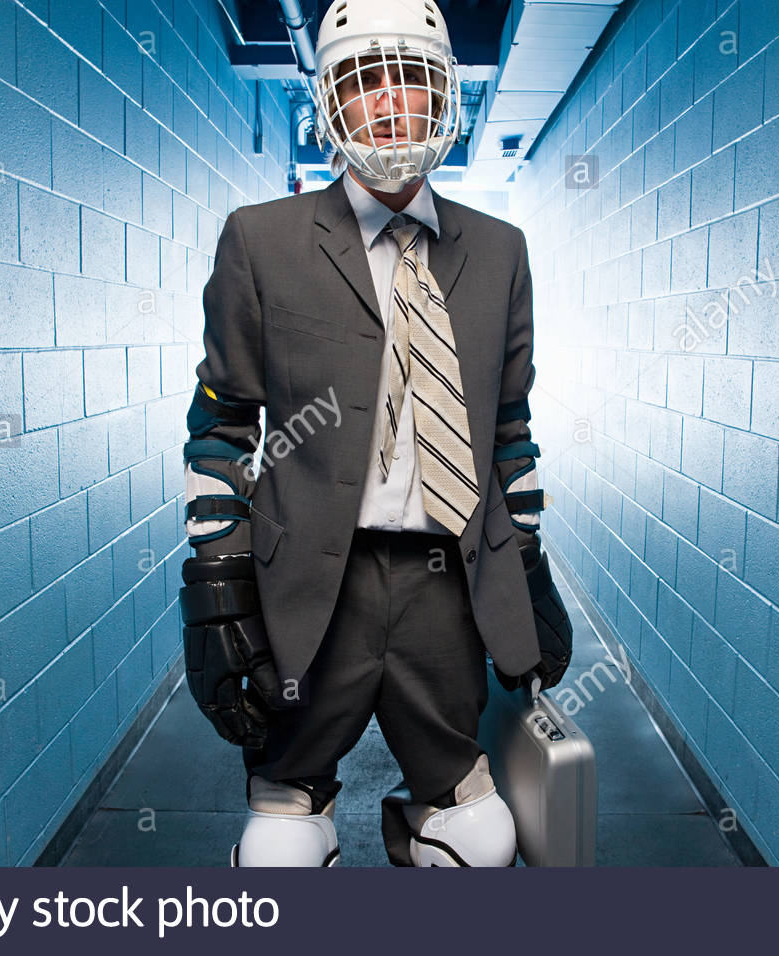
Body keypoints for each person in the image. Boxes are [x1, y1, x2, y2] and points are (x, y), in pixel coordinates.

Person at [178, 0, 572, 867]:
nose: (391, 104)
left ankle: (416, 818)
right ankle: (306, 809)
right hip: (316, 583)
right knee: (277, 851)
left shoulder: (501, 250)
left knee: (481, 840)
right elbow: (223, 425)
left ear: (444, 100)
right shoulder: (261, 241)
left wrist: (529, 564)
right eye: (366, 82)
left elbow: (510, 427)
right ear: (330, 102)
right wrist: (218, 572)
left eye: (414, 80)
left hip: (445, 582)